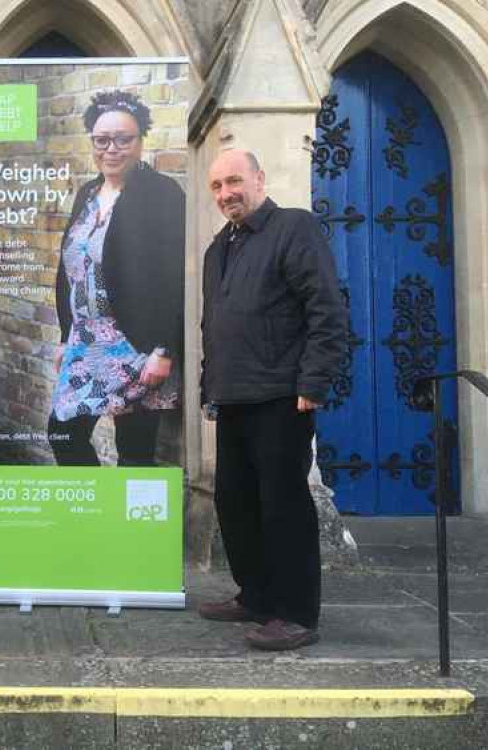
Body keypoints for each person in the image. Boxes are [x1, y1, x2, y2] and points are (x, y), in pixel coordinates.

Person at [198, 149, 347, 651]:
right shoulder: (218, 247)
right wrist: (209, 386)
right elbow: (212, 324)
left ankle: (296, 613)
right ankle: (257, 596)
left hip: (283, 396)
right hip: (233, 395)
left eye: (234, 181)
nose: (226, 194)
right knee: (234, 502)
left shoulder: (294, 228)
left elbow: (325, 308)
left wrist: (313, 382)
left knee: (282, 505)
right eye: (217, 186)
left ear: (259, 179)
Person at [48, 90, 185, 466]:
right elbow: (70, 270)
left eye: (124, 139)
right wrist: (65, 337)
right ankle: (98, 516)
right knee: (62, 434)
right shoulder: (87, 193)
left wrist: (163, 350)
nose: (112, 148)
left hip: (136, 343)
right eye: (102, 140)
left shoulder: (162, 194)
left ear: (141, 142)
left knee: (135, 452)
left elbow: (173, 278)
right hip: (86, 341)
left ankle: (130, 527)